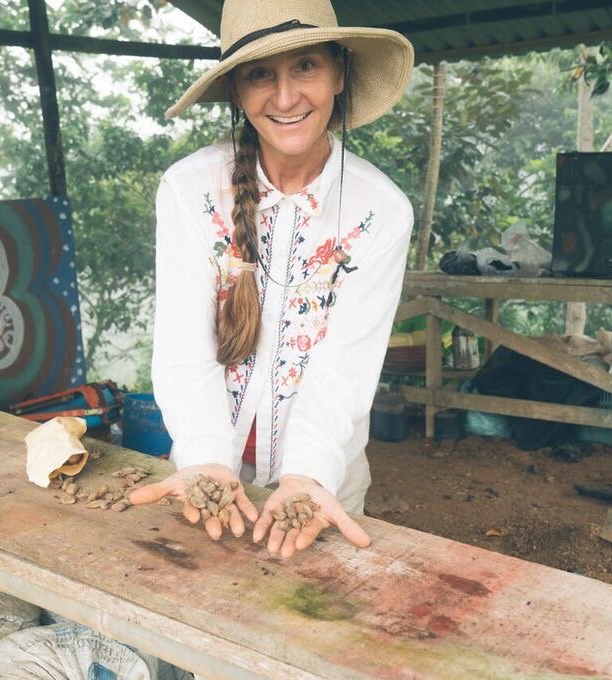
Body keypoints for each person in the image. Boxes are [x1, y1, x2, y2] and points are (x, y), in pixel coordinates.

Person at [129, 0, 415, 558]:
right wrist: (208, 458)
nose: (285, 98)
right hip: (207, 482)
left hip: (321, 491)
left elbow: (345, 369)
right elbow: (186, 350)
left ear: (339, 73)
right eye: (261, 74)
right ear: (237, 89)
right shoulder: (188, 191)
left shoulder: (380, 210)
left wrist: (307, 474)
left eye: (305, 66)